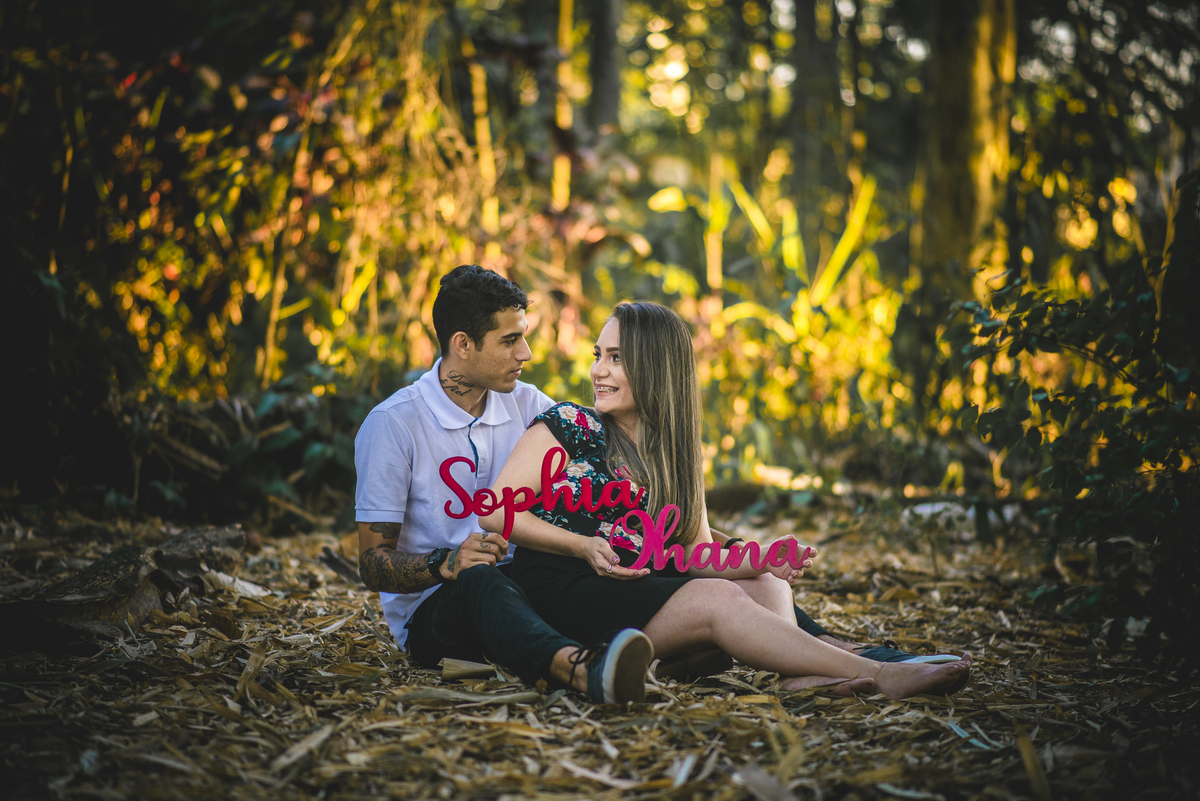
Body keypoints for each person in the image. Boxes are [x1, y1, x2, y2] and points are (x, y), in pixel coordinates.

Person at [481, 301, 971, 699]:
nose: (598, 371)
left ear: (656, 368)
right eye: (598, 355)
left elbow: (695, 554)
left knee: (763, 582)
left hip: (634, 593)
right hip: (562, 594)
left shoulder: (674, 454)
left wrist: (763, 558)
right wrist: (580, 545)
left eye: (616, 358)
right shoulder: (570, 425)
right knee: (716, 597)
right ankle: (879, 675)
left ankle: (798, 675)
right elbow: (495, 511)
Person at [354, 265, 654, 704]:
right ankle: (581, 671)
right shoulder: (394, 424)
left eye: (523, 337)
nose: (525, 353)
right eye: (510, 340)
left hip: (528, 581)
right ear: (463, 344)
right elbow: (371, 564)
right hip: (440, 612)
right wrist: (446, 562)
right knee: (480, 581)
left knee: (574, 565)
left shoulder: (531, 405)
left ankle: (680, 641)